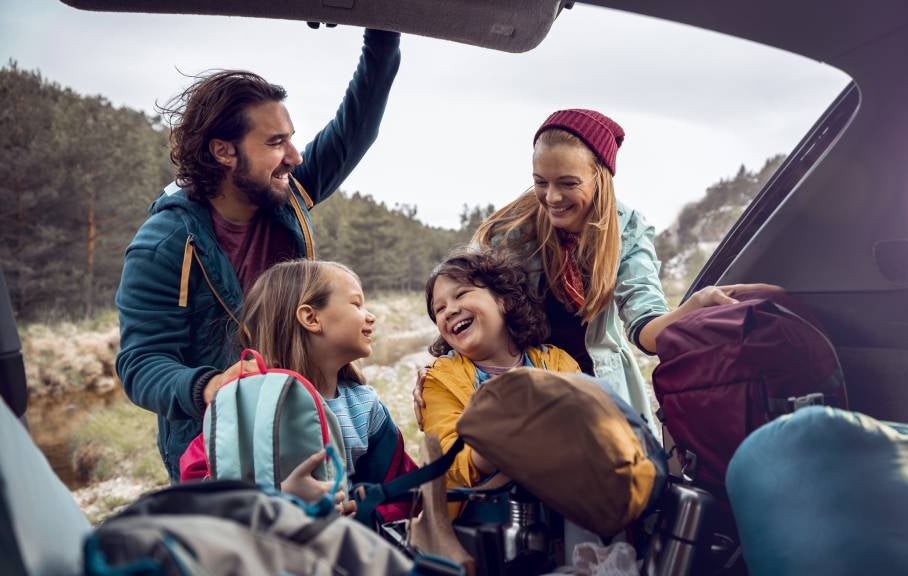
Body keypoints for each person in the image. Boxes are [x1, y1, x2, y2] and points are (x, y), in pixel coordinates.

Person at [115, 28, 402, 481]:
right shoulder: (165, 243)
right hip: (219, 448)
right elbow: (141, 362)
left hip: (305, 422)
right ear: (224, 152)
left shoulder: (287, 194)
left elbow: (356, 129)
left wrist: (382, 36)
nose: (294, 156)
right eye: (274, 143)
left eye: (290, 138)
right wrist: (211, 386)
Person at [415, 108, 776, 431]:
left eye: (568, 183)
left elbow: (647, 331)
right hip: (524, 386)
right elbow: (468, 303)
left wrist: (694, 307)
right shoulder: (511, 230)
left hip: (599, 390)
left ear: (600, 177)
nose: (552, 198)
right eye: (541, 182)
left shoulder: (629, 231)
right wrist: (439, 374)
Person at [239, 260, 416, 519]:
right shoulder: (245, 405)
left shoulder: (364, 407)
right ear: (312, 318)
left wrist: (364, 512)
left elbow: (402, 491)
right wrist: (280, 499)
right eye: (356, 304)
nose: (371, 316)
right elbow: (207, 497)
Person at [421, 248, 580, 498]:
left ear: (503, 300)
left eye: (461, 294)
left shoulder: (556, 362)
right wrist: (498, 442)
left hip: (568, 496)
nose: (449, 310)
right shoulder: (439, 380)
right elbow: (447, 454)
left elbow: (584, 421)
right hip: (484, 513)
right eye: (439, 309)